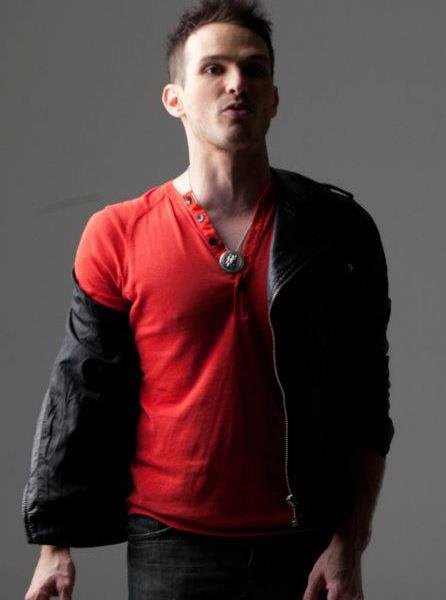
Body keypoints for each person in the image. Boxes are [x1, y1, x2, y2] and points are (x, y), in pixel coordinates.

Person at [22, 1, 395, 599]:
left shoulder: (338, 230)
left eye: (254, 69)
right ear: (174, 99)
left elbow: (365, 399)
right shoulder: (117, 233)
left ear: (274, 98)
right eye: (213, 68)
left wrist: (349, 543)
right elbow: (79, 391)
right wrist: (54, 547)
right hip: (168, 543)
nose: (236, 83)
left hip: (303, 544)